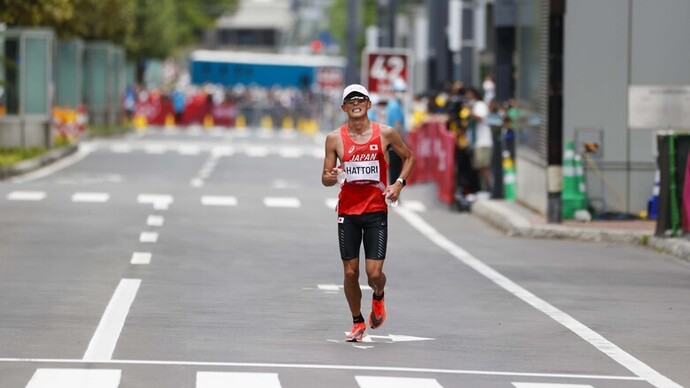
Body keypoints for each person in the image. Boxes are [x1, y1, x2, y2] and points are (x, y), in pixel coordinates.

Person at [321, 84, 415, 342]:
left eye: (360, 98)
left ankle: (379, 296)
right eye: (350, 100)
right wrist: (332, 176)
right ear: (344, 107)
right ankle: (357, 321)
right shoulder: (334, 139)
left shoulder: (385, 134)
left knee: (373, 274)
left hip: (376, 211)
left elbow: (409, 157)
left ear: (369, 104)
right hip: (348, 212)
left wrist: (399, 184)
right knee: (350, 273)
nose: (356, 103)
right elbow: (326, 178)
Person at [466, 87, 494, 193]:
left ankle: (491, 187)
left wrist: (471, 113)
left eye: (470, 94)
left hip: (484, 141)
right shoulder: (474, 106)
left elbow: (482, 119)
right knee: (479, 166)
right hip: (477, 142)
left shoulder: (480, 105)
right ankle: (485, 187)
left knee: (484, 166)